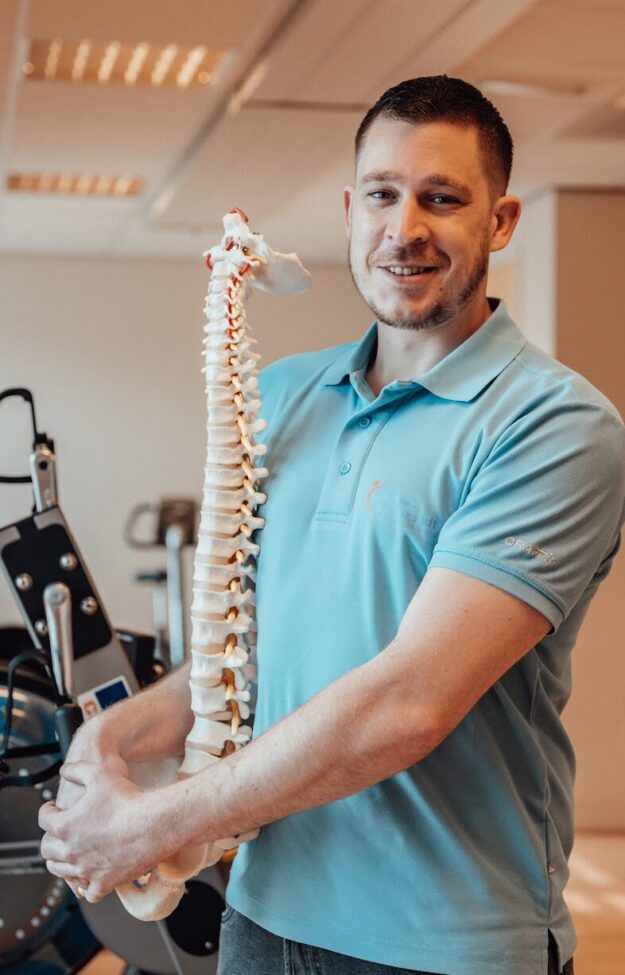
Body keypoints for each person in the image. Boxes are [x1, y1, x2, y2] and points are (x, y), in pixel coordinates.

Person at [39, 76, 625, 975]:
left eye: (442, 198)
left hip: (444, 941)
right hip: (263, 914)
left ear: (500, 222)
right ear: (351, 211)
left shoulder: (553, 426)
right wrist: (109, 737)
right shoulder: (282, 398)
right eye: (383, 195)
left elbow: (408, 704)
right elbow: (243, 667)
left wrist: (152, 822)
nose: (405, 228)